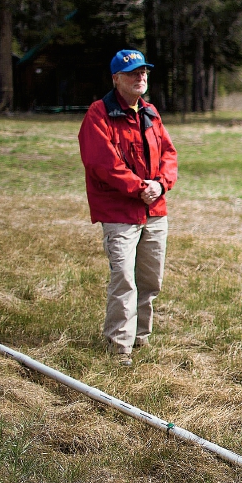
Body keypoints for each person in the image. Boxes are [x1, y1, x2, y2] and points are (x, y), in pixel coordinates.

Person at [78, 50, 178, 366]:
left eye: (144, 71)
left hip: (155, 209)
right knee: (124, 278)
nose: (141, 77)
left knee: (150, 281)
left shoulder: (150, 112)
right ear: (116, 79)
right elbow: (102, 164)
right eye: (133, 72)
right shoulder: (99, 114)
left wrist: (160, 185)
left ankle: (140, 339)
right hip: (120, 213)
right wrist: (140, 188)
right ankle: (119, 349)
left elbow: (170, 155)